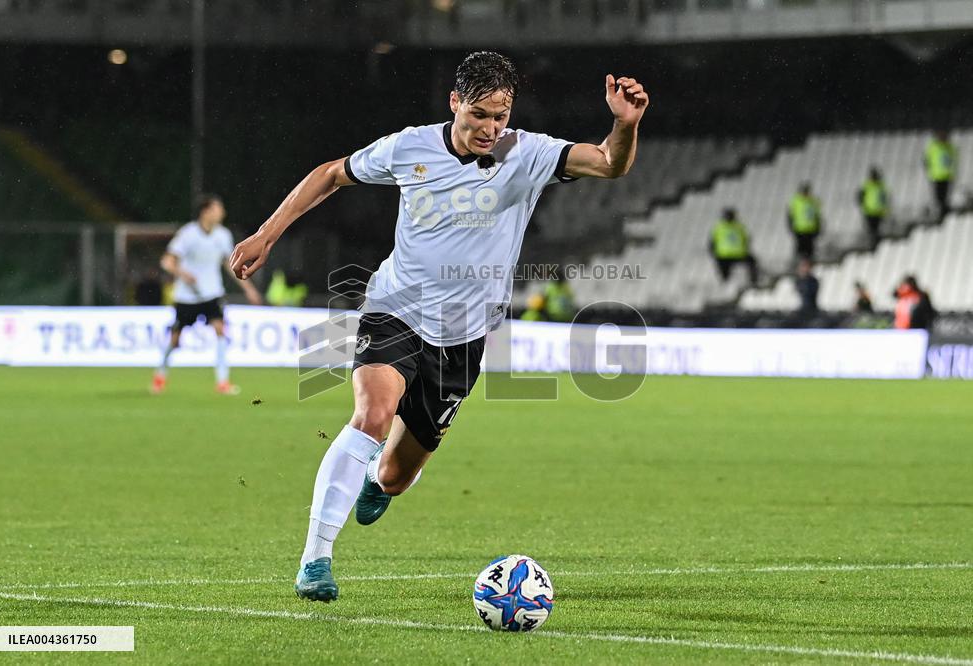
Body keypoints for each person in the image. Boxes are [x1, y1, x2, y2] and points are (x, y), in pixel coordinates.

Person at [228, 51, 649, 602]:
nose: (490, 128)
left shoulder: (528, 153)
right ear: (455, 102)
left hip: (465, 341)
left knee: (397, 475)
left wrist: (623, 125)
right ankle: (315, 558)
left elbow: (609, 165)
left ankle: (378, 482)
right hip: (396, 309)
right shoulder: (409, 147)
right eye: (480, 114)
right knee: (372, 412)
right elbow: (332, 173)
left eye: (501, 116)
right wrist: (266, 233)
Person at [151, 194, 262, 395]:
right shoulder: (188, 234)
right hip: (187, 296)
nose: (222, 213)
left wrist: (249, 289)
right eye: (217, 208)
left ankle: (222, 382)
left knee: (220, 330)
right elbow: (167, 261)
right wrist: (183, 274)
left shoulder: (223, 235)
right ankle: (160, 375)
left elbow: (231, 266)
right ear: (205, 211)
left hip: (212, 293)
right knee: (175, 340)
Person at [709, 207, 759, 284]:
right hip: (739, 254)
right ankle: (754, 280)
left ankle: (725, 281)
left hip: (723, 256)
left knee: (723, 269)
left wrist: (713, 253)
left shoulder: (718, 228)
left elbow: (712, 243)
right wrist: (745, 248)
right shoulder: (740, 227)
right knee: (752, 262)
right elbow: (747, 240)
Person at [924, 130, 957, 221]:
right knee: (939, 196)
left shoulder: (949, 147)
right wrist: (929, 170)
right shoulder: (933, 147)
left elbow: (954, 160)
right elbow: (926, 160)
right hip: (937, 176)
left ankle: (944, 213)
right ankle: (941, 214)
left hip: (947, 175)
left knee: (945, 195)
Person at [787, 181, 822, 261]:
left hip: (811, 230)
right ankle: (799, 267)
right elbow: (790, 216)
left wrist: (818, 228)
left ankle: (809, 266)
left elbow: (818, 216)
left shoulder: (813, 201)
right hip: (800, 230)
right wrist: (792, 228)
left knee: (810, 251)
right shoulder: (795, 201)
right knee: (800, 251)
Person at [857, 167, 888, 249]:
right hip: (869, 212)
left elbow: (885, 198)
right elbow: (860, 197)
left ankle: (876, 245)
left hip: (878, 212)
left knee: (876, 229)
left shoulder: (880, 186)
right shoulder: (867, 186)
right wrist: (863, 206)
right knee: (871, 230)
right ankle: (872, 245)